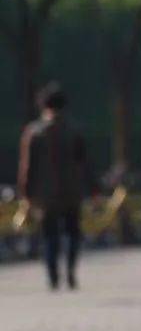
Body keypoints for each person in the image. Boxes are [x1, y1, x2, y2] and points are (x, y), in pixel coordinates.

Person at [17, 82, 92, 290]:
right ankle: (70, 271)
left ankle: (53, 277)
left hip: (45, 195)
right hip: (71, 191)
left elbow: (27, 167)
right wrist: (92, 188)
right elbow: (84, 163)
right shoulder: (74, 130)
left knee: (50, 236)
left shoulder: (34, 132)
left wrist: (25, 193)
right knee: (73, 233)